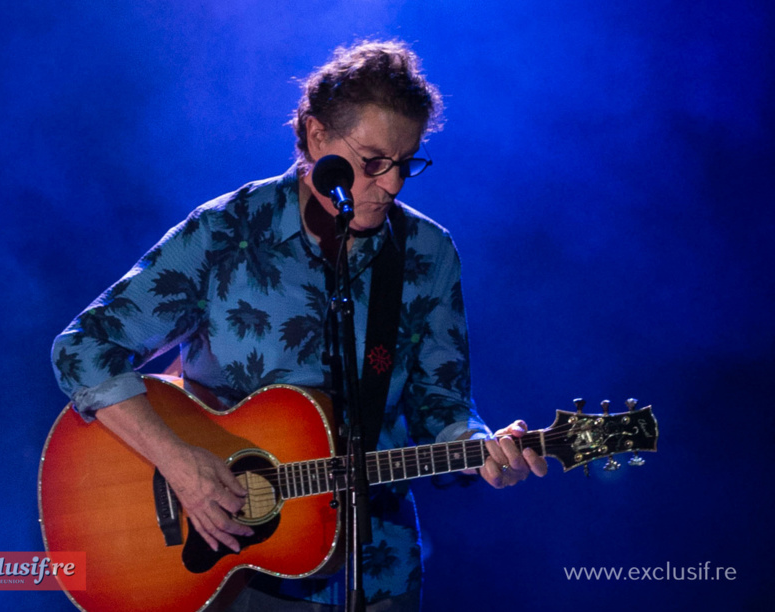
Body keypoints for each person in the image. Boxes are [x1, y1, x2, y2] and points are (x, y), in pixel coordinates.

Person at [51, 39, 547, 611]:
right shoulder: (224, 232)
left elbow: (443, 405)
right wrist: (178, 462)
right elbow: (84, 347)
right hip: (238, 574)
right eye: (373, 162)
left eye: (406, 164)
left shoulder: (427, 253)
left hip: (379, 570)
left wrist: (480, 449)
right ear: (316, 137)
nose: (393, 185)